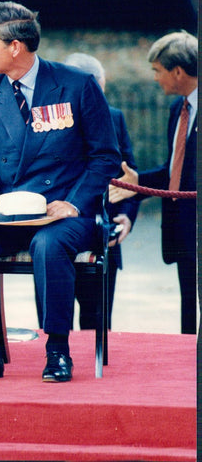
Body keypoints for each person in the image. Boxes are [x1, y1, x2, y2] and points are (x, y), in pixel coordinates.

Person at [0, 2, 120, 383]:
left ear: (15, 47)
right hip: (11, 214)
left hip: (68, 215)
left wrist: (74, 203)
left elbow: (106, 157)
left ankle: (57, 349)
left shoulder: (77, 85)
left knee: (48, 242)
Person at [109, 30, 197, 334]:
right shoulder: (179, 109)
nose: (156, 79)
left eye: (158, 71)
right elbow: (174, 172)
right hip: (183, 230)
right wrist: (133, 184)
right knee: (189, 308)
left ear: (178, 71)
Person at [63, 52, 139, 330]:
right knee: (55, 319)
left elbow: (129, 173)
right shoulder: (46, 115)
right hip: (57, 226)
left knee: (97, 321)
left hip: (103, 233)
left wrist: (127, 217)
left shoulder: (114, 117)